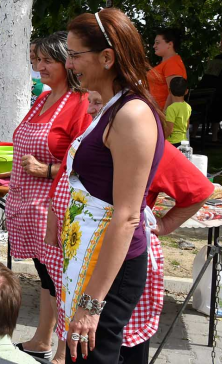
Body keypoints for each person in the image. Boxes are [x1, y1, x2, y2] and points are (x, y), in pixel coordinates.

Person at [49, 8, 164, 364]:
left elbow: (127, 217)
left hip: (111, 269)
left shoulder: (131, 115)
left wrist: (91, 303)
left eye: (74, 55)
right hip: (93, 257)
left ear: (107, 57)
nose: (69, 64)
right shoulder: (112, 108)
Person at [79, 91, 214, 363]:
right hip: (91, 253)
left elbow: (200, 190)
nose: (91, 111)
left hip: (124, 255)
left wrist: (165, 225)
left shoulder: (140, 139)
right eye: (90, 103)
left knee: (119, 345)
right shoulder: (96, 135)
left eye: (99, 104)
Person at [6, 32, 91, 363]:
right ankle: (42, 339)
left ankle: (62, 353)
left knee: (63, 282)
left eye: (46, 60)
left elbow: (85, 163)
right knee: (47, 277)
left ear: (66, 63)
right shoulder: (43, 98)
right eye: (34, 59)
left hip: (57, 207)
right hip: (30, 204)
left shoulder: (79, 102)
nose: (38, 66)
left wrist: (47, 169)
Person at [147, 28, 186, 110]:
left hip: (161, 116)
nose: (154, 46)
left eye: (157, 43)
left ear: (170, 44)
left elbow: (174, 95)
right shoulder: (168, 62)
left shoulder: (173, 63)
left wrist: (165, 118)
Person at [198, 54, 222, 142]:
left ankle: (194, 134)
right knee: (216, 116)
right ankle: (214, 137)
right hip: (217, 95)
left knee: (200, 113)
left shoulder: (210, 65)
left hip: (202, 95)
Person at [164, 77, 191, 146]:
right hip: (184, 140)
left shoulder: (171, 108)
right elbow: (187, 126)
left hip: (173, 142)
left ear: (169, 90)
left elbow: (169, 129)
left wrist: (162, 139)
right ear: (186, 91)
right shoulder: (188, 107)